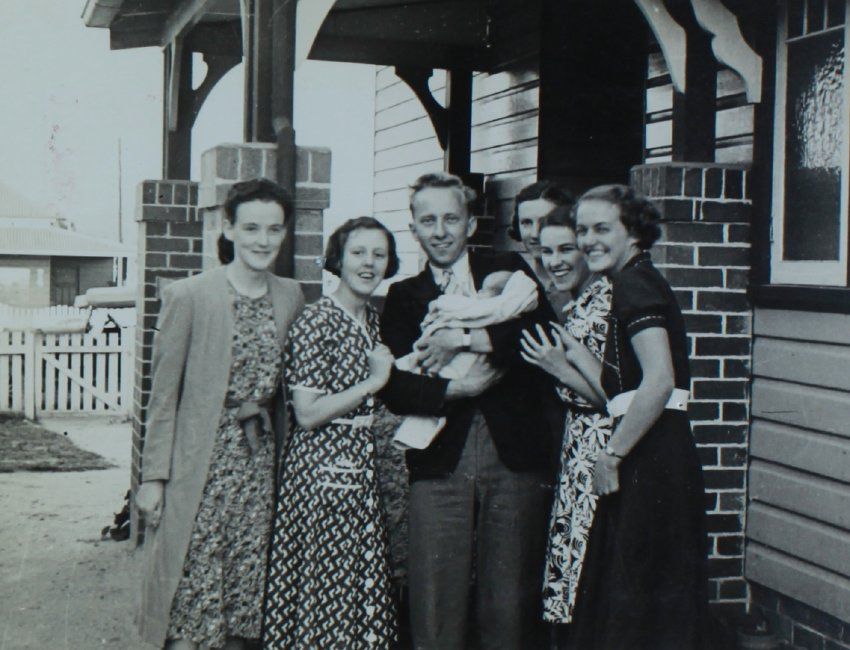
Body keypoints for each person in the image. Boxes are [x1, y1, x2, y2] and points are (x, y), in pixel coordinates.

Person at [378, 172, 559, 650]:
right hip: (440, 457)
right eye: (428, 220)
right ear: (413, 227)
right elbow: (396, 388)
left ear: (471, 224)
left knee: (510, 598)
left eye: (451, 218)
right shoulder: (403, 297)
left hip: (514, 453)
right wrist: (461, 387)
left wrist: (462, 338)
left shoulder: (509, 272)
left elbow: (537, 341)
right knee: (435, 593)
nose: (440, 230)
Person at [135, 178, 305, 650]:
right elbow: (163, 396)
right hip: (200, 466)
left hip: (257, 468)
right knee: (191, 600)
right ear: (228, 228)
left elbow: (287, 396)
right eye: (251, 228)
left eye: (274, 229)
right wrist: (154, 478)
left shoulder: (290, 295)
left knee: (241, 602)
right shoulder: (189, 295)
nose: (263, 240)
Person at [555, 184, 709, 649]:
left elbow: (659, 381)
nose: (588, 241)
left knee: (637, 595)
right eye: (582, 230)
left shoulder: (633, 284)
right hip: (657, 448)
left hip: (650, 452)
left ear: (633, 232)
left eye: (603, 229)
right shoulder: (633, 279)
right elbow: (622, 383)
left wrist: (612, 455)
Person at [262, 217, 401, 649]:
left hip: (358, 469)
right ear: (337, 259)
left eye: (379, 255)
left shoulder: (374, 322)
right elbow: (307, 413)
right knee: (326, 589)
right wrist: (372, 384)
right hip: (322, 469)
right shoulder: (316, 320)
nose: (369, 263)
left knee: (354, 590)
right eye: (358, 253)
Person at [518, 206, 614, 634]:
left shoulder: (605, 302)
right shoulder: (579, 304)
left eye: (566, 249)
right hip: (576, 450)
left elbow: (616, 397)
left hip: (601, 449)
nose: (554, 260)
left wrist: (558, 367)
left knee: (592, 576)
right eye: (546, 250)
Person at [509, 180, 574, 318]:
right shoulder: (514, 278)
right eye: (526, 223)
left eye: (544, 221)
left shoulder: (581, 283)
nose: (534, 234)